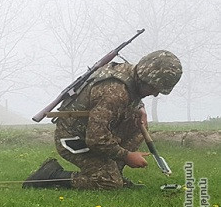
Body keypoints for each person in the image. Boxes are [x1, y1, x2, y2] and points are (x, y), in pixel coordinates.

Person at [23, 50, 182, 190]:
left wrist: (140, 107)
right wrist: (127, 155)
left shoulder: (131, 73)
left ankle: (113, 171)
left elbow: (132, 94)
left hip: (88, 132)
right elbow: (96, 139)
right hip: (74, 139)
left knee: (137, 122)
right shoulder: (114, 93)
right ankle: (52, 175)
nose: (155, 94)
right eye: (154, 88)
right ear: (144, 78)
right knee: (109, 184)